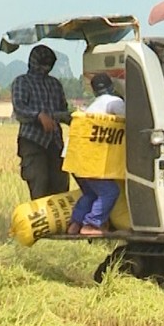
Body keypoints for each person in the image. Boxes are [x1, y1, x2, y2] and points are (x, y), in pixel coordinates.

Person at [11, 44, 72, 200]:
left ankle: (59, 223)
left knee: (60, 184)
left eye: (49, 64)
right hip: (32, 141)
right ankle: (41, 222)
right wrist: (39, 116)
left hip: (55, 142)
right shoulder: (22, 82)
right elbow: (19, 109)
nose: (46, 68)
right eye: (43, 63)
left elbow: (63, 110)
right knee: (39, 182)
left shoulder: (55, 84)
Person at [68, 72, 125, 237]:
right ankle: (92, 224)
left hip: (75, 159)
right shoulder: (114, 102)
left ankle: (75, 223)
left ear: (93, 91)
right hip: (92, 160)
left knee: (91, 193)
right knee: (110, 192)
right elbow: (130, 119)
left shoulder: (92, 106)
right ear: (112, 87)